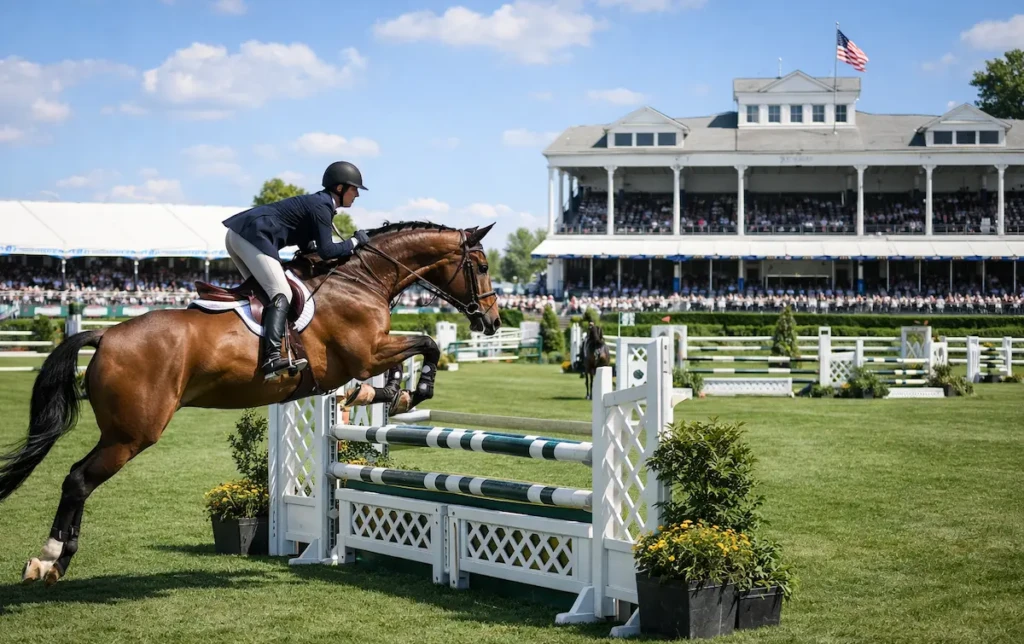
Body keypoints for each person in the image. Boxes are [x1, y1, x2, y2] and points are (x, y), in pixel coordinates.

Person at [222, 161, 371, 379]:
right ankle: (272, 358)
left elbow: (308, 247)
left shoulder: (319, 204)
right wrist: (354, 242)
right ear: (340, 188)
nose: (357, 194)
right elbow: (327, 250)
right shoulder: (322, 206)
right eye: (354, 188)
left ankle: (251, 348)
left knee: (264, 296)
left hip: (240, 235)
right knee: (282, 293)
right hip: (252, 235)